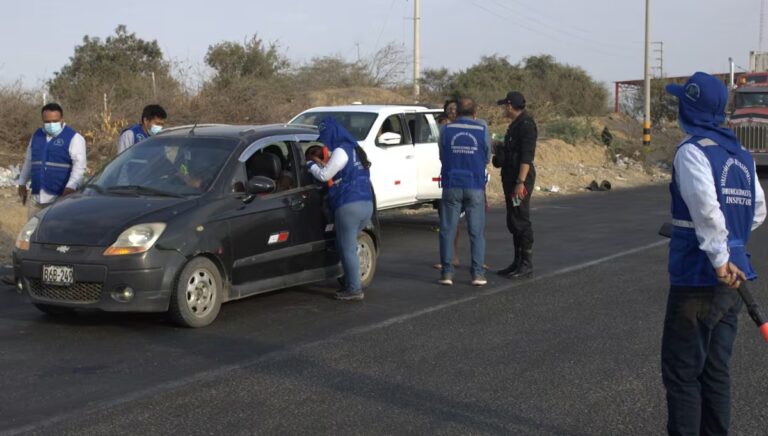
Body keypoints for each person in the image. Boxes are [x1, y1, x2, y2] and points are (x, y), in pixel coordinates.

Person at [662, 71, 766, 435]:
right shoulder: (740, 154)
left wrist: (720, 259)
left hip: (698, 278)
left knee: (682, 373)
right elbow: (757, 211)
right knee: (716, 371)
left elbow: (707, 210)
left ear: (688, 108)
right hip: (733, 282)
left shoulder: (692, 151)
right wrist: (733, 246)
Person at [307, 116, 374, 301]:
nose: (325, 142)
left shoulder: (341, 151)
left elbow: (324, 175)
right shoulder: (356, 150)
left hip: (348, 205)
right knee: (348, 245)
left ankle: (354, 289)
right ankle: (351, 279)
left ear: (332, 134)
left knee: (347, 248)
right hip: (366, 204)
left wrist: (311, 165)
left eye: (325, 136)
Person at [437, 97, 490, 287]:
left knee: (447, 230)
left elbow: (442, 155)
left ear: (456, 112)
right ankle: (477, 274)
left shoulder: (445, 130)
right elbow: (486, 157)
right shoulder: (482, 129)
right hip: (474, 184)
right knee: (476, 231)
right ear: (475, 113)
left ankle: (447, 273)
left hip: (451, 183)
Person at [493, 91, 537, 279]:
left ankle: (526, 263)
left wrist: (520, 182)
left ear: (510, 106)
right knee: (513, 219)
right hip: (511, 177)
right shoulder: (516, 125)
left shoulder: (526, 125)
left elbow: (527, 156)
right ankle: (517, 261)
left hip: (519, 180)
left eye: (505, 106)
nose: (504, 109)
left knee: (520, 219)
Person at [16, 103, 87, 219]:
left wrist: (71, 187)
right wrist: (22, 182)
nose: (51, 124)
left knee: (56, 232)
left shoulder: (74, 138)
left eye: (55, 121)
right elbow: (29, 161)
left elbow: (79, 167)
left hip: (59, 196)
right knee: (33, 231)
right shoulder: (37, 136)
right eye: (47, 122)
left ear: (62, 119)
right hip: (37, 195)